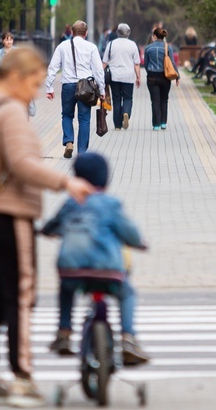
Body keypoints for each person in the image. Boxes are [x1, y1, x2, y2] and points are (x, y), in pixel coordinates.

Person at [0, 46, 95, 408]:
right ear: (18, 78)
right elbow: (21, 164)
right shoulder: (10, 112)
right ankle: (22, 377)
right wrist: (65, 183)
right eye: (35, 83)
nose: (36, 91)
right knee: (19, 297)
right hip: (10, 214)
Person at [41, 152, 151, 366]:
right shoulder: (111, 204)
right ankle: (128, 338)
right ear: (105, 178)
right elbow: (129, 232)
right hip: (107, 269)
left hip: (71, 269)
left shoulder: (71, 203)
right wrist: (139, 243)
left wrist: (45, 231)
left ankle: (64, 332)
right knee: (127, 293)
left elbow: (52, 226)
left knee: (66, 289)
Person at [46, 20, 106, 158]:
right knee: (84, 119)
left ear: (72, 32)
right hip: (85, 88)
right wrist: (102, 90)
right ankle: (82, 152)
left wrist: (49, 87)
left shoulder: (62, 46)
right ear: (85, 33)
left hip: (68, 85)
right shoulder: (91, 47)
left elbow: (53, 67)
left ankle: (68, 141)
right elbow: (98, 71)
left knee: (67, 115)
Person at [102, 23, 140, 130]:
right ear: (128, 33)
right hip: (128, 76)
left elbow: (104, 62)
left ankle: (118, 125)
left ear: (117, 32)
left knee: (117, 99)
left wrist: (99, 75)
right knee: (128, 98)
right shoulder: (132, 45)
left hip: (114, 77)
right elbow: (136, 63)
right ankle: (126, 112)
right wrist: (138, 77)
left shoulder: (111, 44)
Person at [143, 27, 180, 130]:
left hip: (152, 77)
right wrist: (177, 76)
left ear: (155, 36)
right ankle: (163, 122)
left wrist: (150, 72)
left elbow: (146, 64)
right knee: (164, 100)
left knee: (155, 101)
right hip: (165, 77)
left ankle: (156, 124)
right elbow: (172, 63)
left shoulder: (148, 48)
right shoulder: (168, 48)